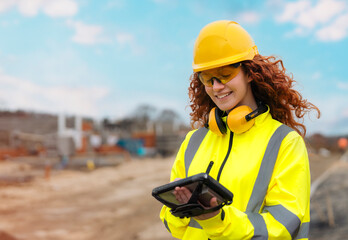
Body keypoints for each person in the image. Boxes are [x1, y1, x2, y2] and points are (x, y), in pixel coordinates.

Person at [159, 20, 320, 239]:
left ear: (250, 72)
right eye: (207, 77)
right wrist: (180, 210)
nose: (216, 86)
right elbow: (173, 225)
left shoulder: (284, 142)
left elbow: (284, 227)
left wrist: (218, 220)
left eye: (225, 73)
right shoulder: (193, 142)